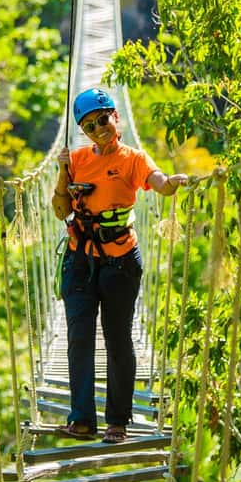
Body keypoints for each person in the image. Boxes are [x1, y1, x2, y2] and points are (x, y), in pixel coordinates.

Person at [51, 87, 187, 444]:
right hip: (79, 259)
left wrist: (170, 183)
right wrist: (63, 172)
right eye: (90, 125)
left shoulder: (134, 159)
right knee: (78, 339)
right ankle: (81, 420)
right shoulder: (77, 159)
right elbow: (61, 210)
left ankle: (117, 423)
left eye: (103, 120)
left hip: (120, 261)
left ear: (115, 117)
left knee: (117, 339)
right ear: (84, 131)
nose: (98, 129)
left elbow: (158, 182)